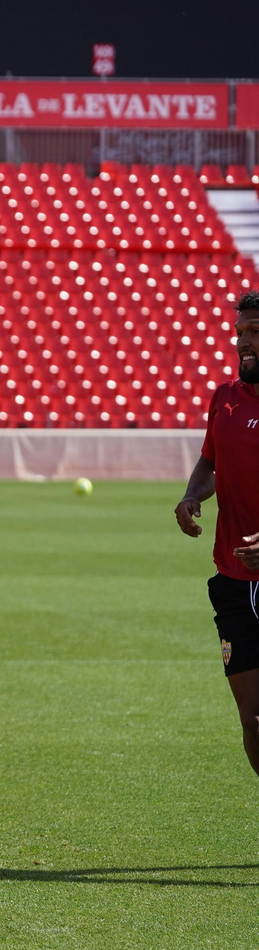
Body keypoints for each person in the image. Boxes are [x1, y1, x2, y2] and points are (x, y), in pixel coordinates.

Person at [175, 289, 259, 777]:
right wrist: (192, 495)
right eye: (239, 334)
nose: (243, 343)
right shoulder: (224, 398)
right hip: (232, 582)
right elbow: (211, 460)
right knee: (253, 720)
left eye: (255, 333)